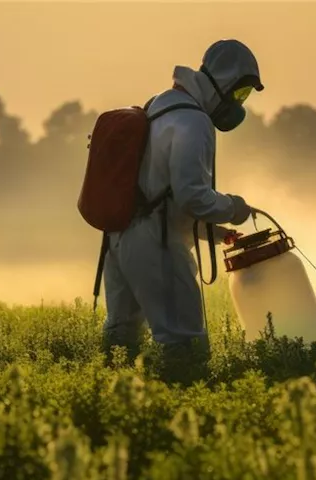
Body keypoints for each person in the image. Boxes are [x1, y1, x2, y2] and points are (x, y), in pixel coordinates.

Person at [100, 39, 264, 379]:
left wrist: (216, 234)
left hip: (119, 238)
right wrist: (234, 207)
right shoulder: (194, 121)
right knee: (186, 348)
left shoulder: (160, 104)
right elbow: (192, 196)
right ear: (225, 80)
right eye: (239, 93)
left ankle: (109, 414)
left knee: (120, 342)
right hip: (155, 245)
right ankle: (183, 421)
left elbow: (162, 190)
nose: (238, 104)